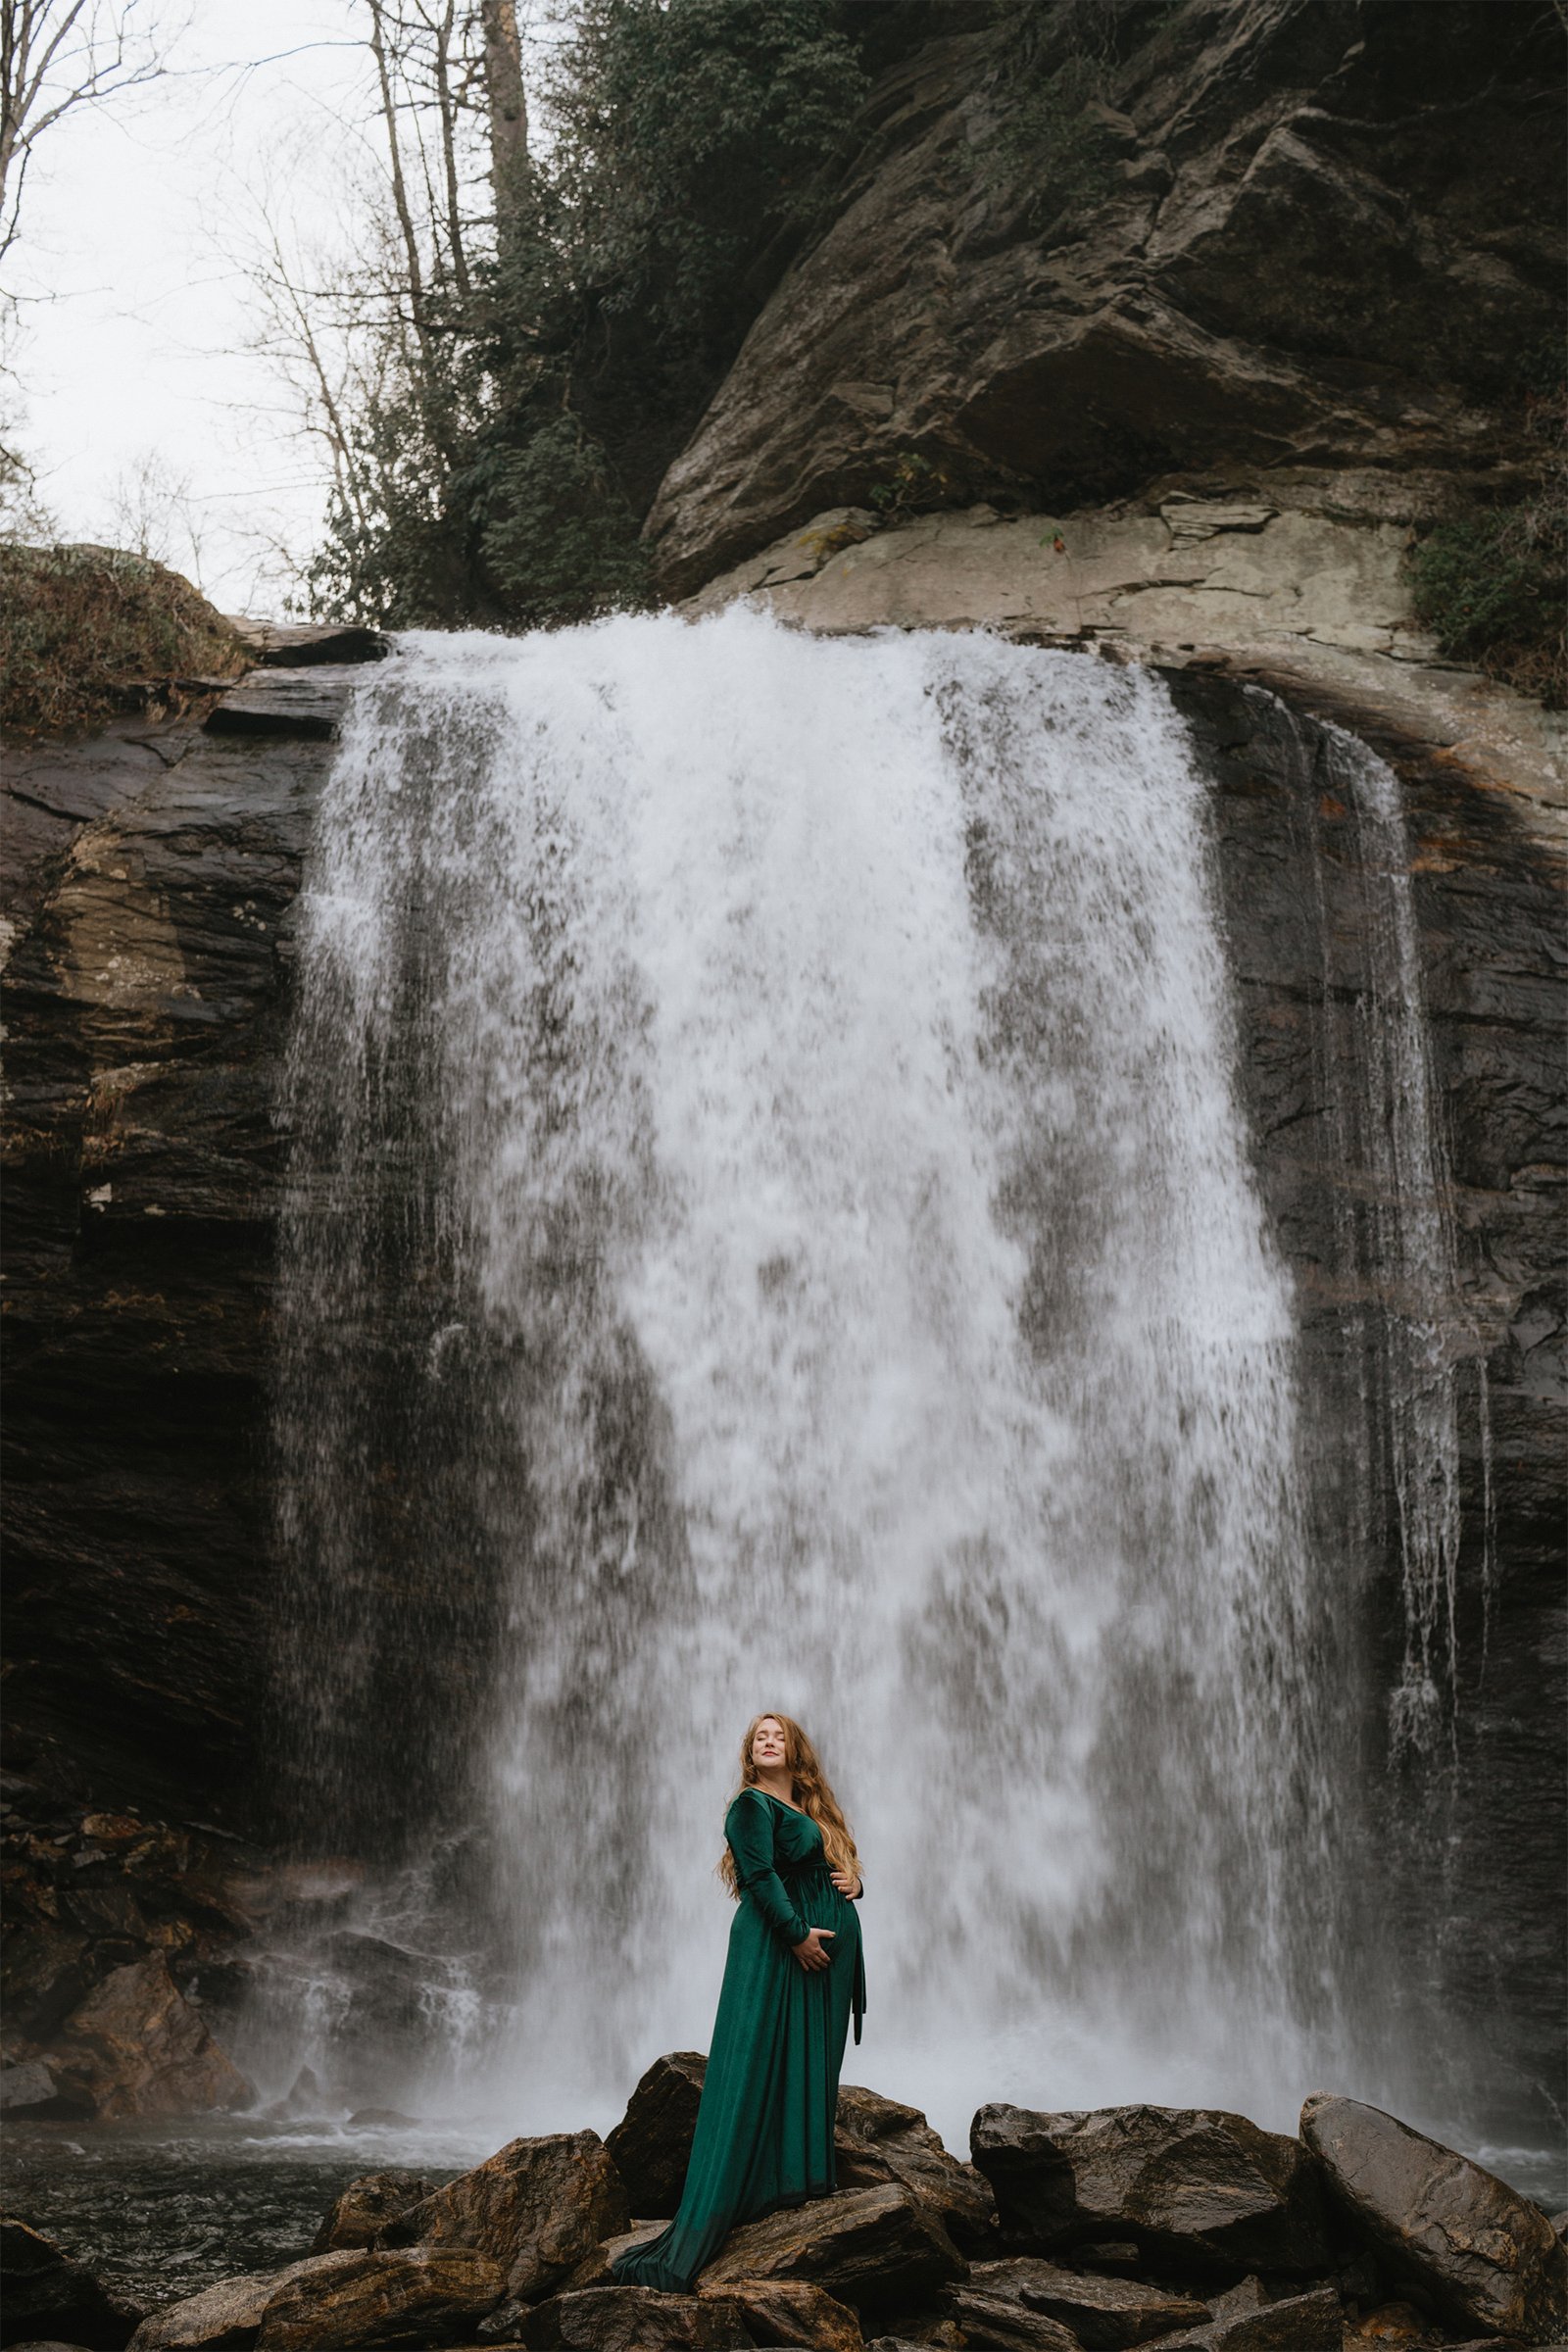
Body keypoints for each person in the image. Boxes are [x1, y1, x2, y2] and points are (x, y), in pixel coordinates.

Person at [611, 1711, 866, 2292]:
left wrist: (856, 1882)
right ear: (750, 1755)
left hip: (816, 1957)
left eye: (778, 1734)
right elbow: (759, 1877)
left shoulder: (808, 1808)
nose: (768, 1741)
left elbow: (829, 1869)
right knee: (757, 2058)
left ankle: (791, 2180)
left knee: (808, 2064)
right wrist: (797, 1934)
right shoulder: (750, 1806)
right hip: (780, 1946)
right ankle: (741, 2195)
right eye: (759, 1737)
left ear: (796, 1748)